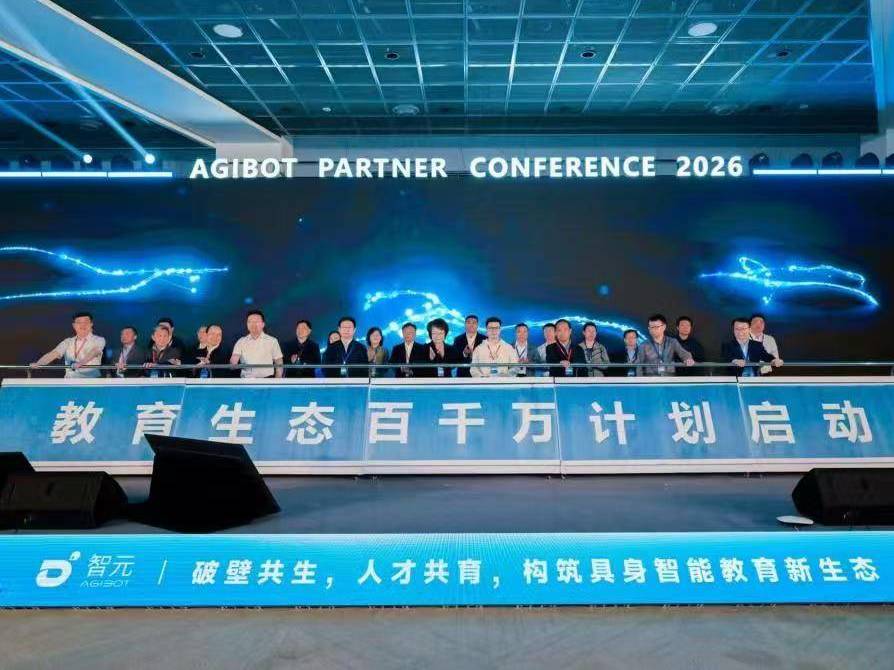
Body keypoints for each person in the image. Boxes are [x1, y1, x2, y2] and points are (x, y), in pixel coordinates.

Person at [31, 311, 106, 378]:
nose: (82, 325)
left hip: (91, 381)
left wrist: (80, 364)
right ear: (74, 326)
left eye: (86, 322)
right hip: (70, 381)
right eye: (79, 322)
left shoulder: (99, 340)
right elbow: (54, 353)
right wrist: (39, 363)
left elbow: (95, 351)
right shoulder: (68, 341)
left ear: (91, 324)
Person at [230, 310, 283, 379]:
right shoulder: (241, 341)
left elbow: (279, 362)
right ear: (247, 325)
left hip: (267, 380)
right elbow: (233, 362)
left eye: (256, 321)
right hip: (246, 380)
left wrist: (277, 380)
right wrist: (233, 362)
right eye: (250, 322)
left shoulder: (272, 341)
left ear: (263, 324)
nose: (253, 324)